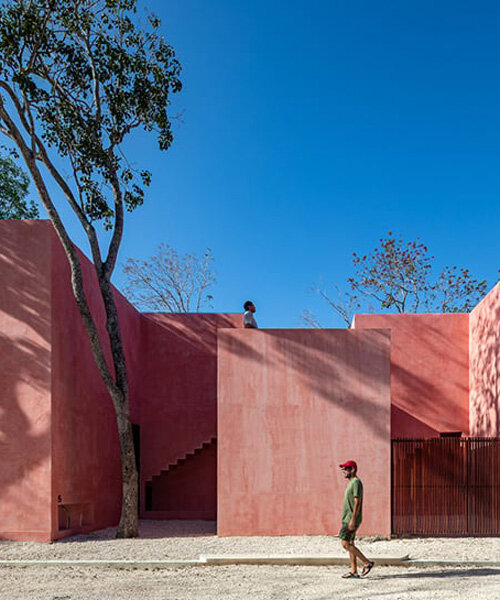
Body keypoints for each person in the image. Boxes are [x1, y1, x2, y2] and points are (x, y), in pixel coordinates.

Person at [338, 460, 374, 579]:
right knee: (350, 543)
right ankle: (354, 571)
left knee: (344, 543)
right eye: (343, 469)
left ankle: (366, 563)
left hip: (350, 519)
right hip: (348, 518)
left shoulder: (356, 482)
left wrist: (353, 520)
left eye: (346, 469)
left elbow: (357, 501)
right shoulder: (352, 482)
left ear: (352, 470)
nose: (344, 471)